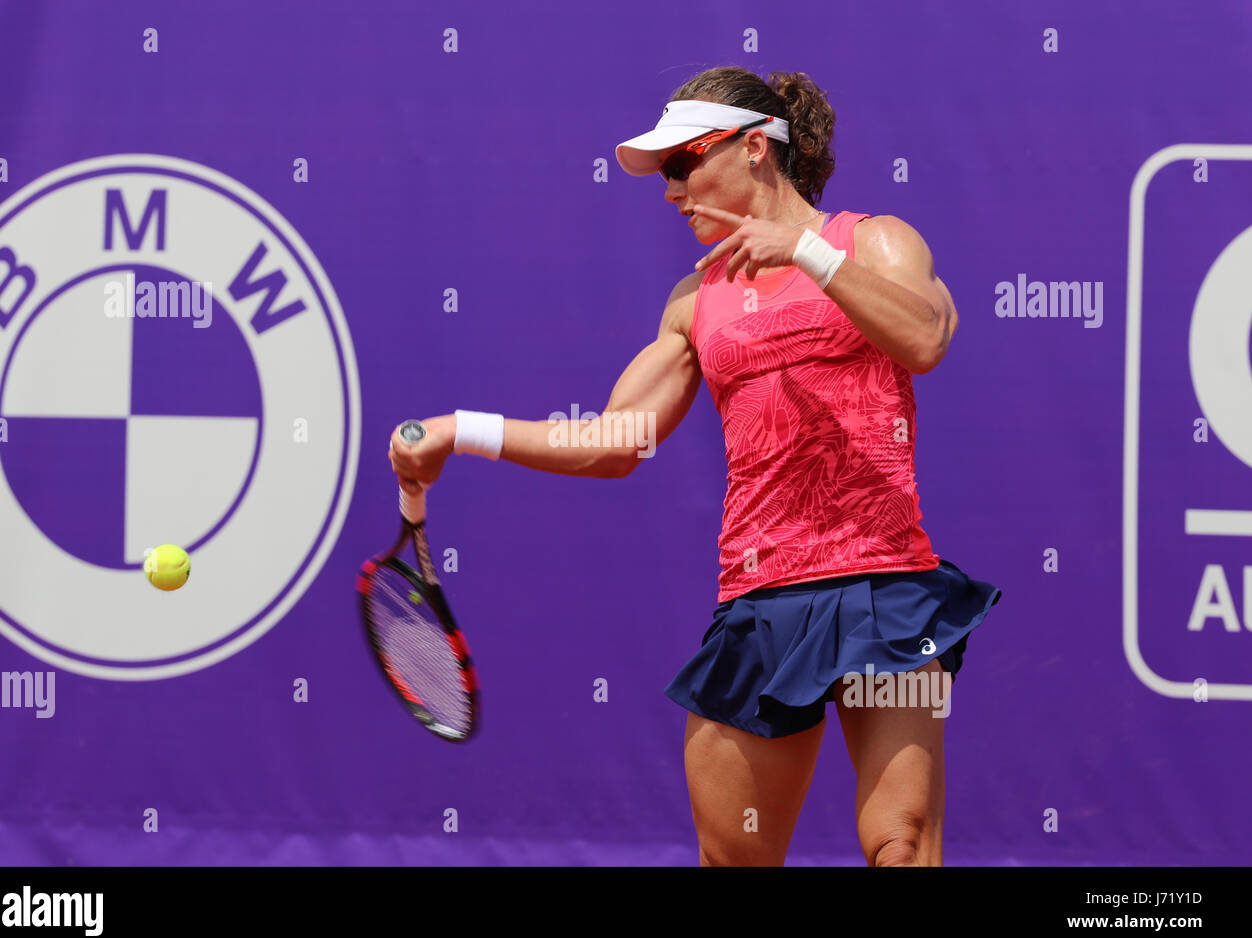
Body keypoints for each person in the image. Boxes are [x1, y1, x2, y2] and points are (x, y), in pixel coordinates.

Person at [389, 66, 1002, 866]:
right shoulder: (694, 301)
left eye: (682, 163)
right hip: (761, 598)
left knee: (902, 841)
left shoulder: (876, 241)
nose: (672, 190)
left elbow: (925, 339)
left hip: (885, 589)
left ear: (754, 148)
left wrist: (807, 253)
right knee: (732, 859)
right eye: (663, 175)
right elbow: (615, 442)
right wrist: (461, 430)